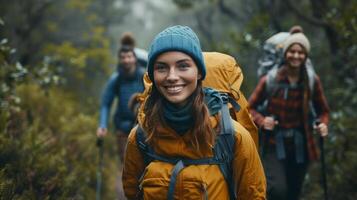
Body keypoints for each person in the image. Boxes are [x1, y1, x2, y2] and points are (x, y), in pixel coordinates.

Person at [122, 25, 266, 200]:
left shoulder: (232, 136)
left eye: (183, 66)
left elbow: (253, 195)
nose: (172, 76)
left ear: (199, 73)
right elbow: (132, 192)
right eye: (161, 68)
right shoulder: (140, 137)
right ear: (152, 75)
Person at [249, 26, 330, 200]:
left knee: (294, 192)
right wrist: (262, 121)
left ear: (306, 56)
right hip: (273, 144)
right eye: (292, 51)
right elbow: (250, 108)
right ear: (285, 54)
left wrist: (323, 124)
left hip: (301, 145)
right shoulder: (270, 79)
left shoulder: (311, 81)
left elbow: (323, 110)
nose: (296, 56)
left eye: (300, 53)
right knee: (277, 191)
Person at [96, 45, 145, 163]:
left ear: (135, 58)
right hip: (122, 128)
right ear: (120, 60)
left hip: (142, 127)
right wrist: (102, 125)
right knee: (126, 163)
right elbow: (106, 104)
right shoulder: (116, 79)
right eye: (123, 57)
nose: (126, 60)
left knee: (143, 162)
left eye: (129, 56)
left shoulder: (144, 77)